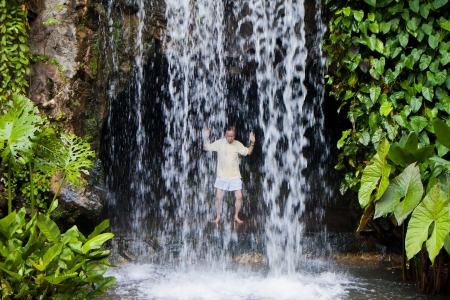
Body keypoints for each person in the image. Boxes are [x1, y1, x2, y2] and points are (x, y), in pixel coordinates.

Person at [203, 126, 256, 223]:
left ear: (234, 136)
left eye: (232, 136)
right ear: (225, 135)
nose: (230, 138)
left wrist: (252, 143)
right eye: (228, 136)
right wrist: (206, 137)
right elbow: (205, 147)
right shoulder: (219, 143)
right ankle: (218, 216)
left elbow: (248, 152)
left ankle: (236, 216)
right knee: (218, 197)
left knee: (239, 197)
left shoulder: (237, 144)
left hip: (235, 176)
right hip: (222, 176)